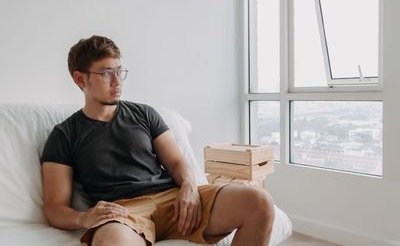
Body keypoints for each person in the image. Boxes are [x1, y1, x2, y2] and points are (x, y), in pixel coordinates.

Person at [40, 35, 275, 246]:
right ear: (80, 80)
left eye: (119, 71)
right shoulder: (64, 135)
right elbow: (54, 207)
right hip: (125, 213)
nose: (117, 81)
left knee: (259, 202)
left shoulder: (144, 114)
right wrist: (84, 217)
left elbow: (175, 162)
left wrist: (189, 186)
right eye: (105, 73)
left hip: (173, 200)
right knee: (110, 242)